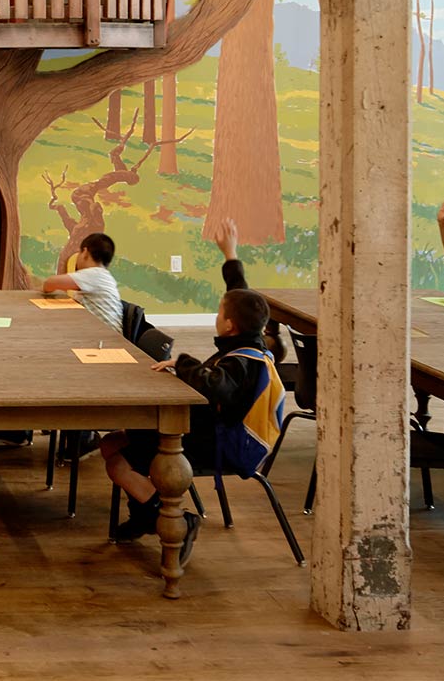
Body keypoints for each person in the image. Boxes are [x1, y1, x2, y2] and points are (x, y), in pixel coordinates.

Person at [86, 218, 287, 556]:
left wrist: (183, 363)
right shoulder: (252, 338)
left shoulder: (241, 362)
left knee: (116, 457)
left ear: (229, 324)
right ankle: (147, 515)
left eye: (220, 310)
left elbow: (216, 387)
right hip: (218, 431)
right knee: (115, 442)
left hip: (226, 444)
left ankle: (171, 517)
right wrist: (230, 253)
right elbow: (240, 293)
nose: (218, 312)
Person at [38, 232, 123, 329]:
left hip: (106, 338)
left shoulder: (94, 274)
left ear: (85, 253)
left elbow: (50, 283)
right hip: (107, 335)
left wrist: (44, 289)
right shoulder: (105, 277)